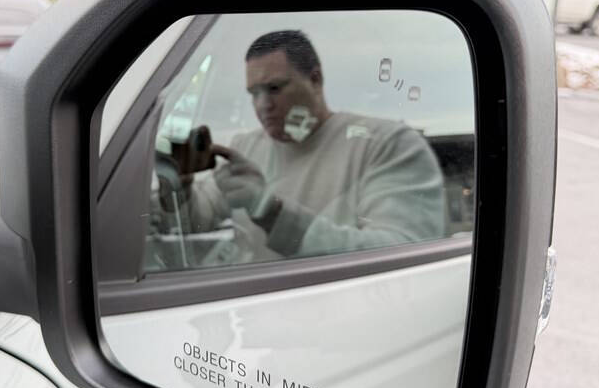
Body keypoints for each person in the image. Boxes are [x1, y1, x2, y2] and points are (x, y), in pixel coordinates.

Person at [152, 30, 445, 267]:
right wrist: (178, 184)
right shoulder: (247, 147)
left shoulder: (388, 144)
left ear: (315, 80)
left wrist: (271, 212)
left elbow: (401, 258)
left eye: (275, 88)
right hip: (250, 320)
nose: (263, 105)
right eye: (254, 93)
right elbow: (198, 220)